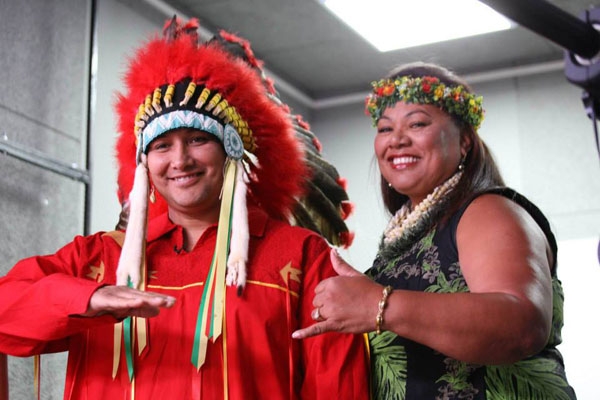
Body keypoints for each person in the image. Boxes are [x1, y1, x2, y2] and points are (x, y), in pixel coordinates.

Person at [0, 17, 369, 399]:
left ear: (230, 150)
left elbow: (339, 384)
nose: (180, 160)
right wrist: (90, 299)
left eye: (197, 140)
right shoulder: (98, 258)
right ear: (144, 163)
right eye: (162, 146)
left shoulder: (301, 255)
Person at [293, 62, 577, 399]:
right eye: (385, 128)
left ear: (465, 141)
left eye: (417, 124)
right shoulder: (401, 242)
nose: (397, 140)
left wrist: (380, 304)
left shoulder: (488, 210)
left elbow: (522, 324)